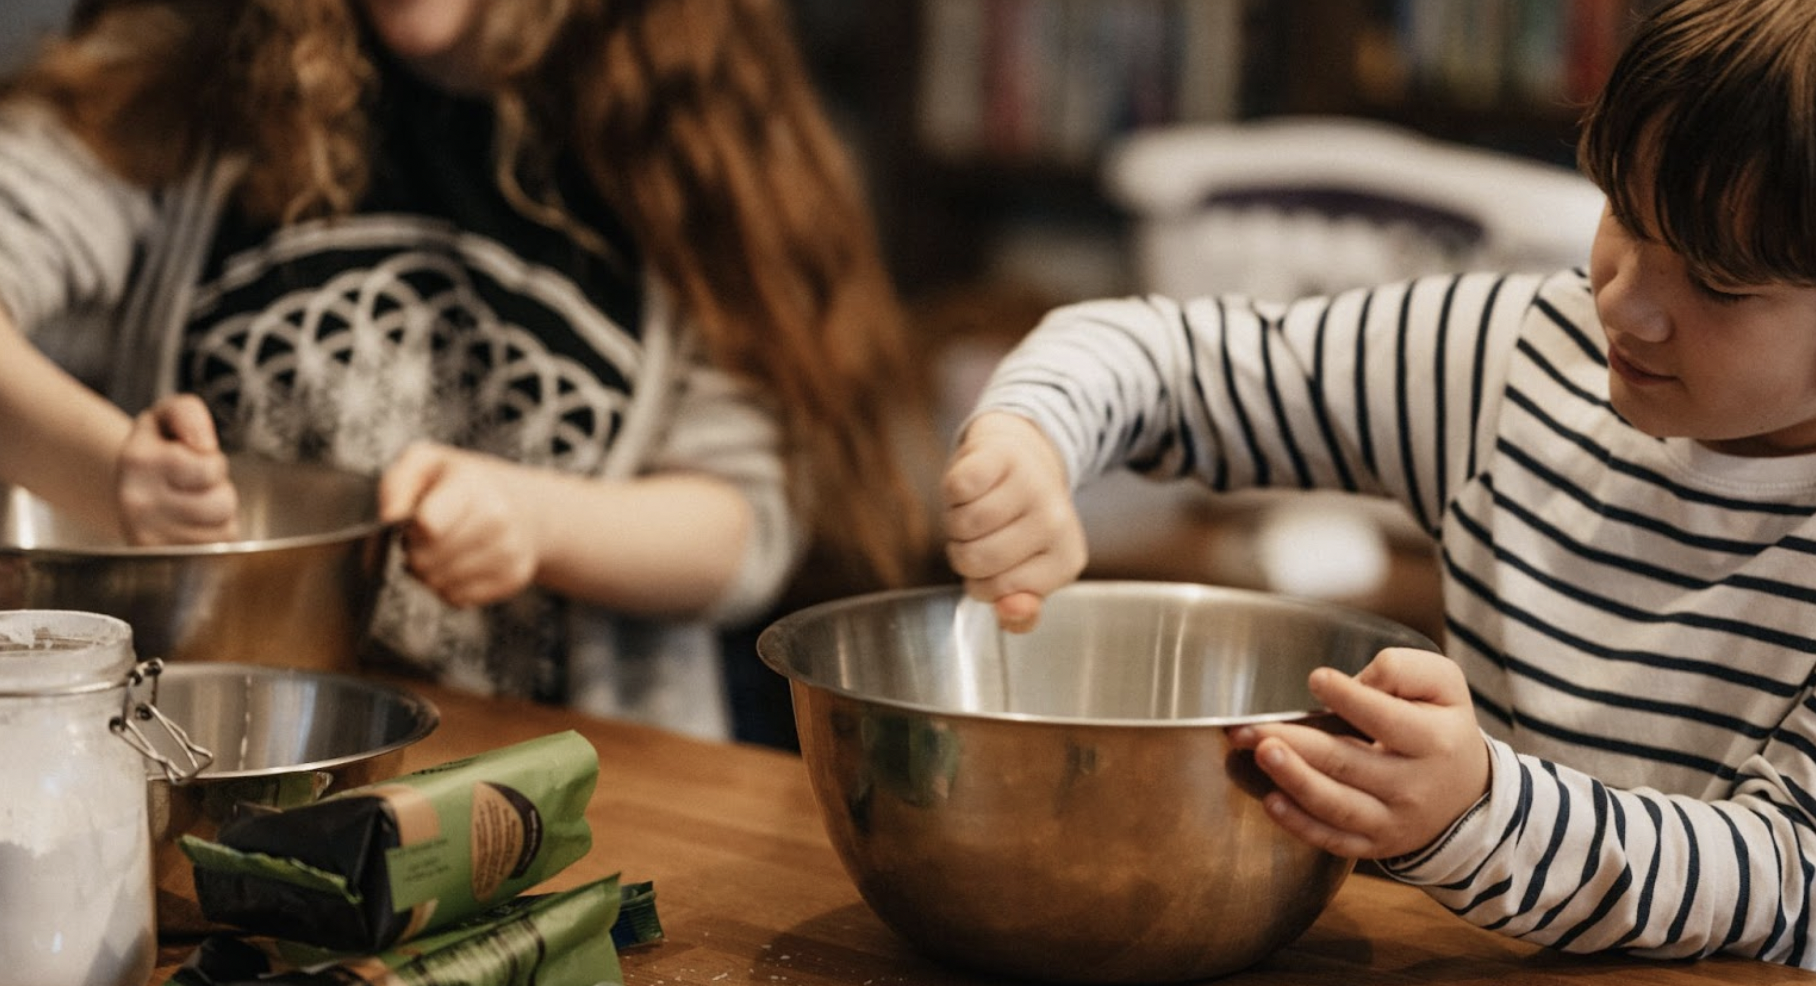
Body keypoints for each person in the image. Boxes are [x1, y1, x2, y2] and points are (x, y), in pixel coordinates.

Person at [942, 0, 1816, 967]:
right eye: (1626, 216)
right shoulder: (1518, 356)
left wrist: (1481, 811)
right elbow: (1165, 358)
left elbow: (1788, 876)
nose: (1624, 301)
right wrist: (1031, 438)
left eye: (1718, 283)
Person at [0, 0, 927, 737]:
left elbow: (744, 527)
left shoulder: (689, 131)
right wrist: (110, 472)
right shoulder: (185, 71)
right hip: (203, 753)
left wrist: (539, 522)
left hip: (576, 795)